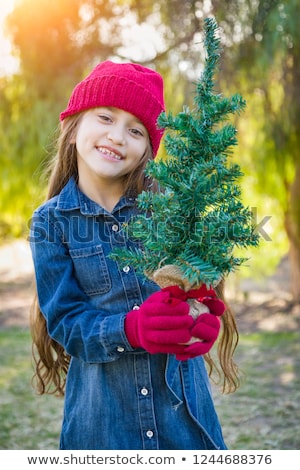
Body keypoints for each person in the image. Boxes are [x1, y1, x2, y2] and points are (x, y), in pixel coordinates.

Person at [29, 61, 239, 450]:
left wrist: (203, 315)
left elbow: (196, 284)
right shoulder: (51, 223)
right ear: (75, 125)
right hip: (102, 425)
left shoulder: (170, 209)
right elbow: (66, 321)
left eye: (135, 130)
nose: (117, 136)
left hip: (183, 419)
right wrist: (131, 329)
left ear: (147, 148)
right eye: (105, 117)